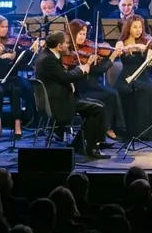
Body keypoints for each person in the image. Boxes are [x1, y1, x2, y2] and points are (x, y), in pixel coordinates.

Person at [34, 31, 108, 160]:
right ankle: (90, 148)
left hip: (59, 99)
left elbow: (60, 77)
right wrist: (81, 69)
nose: (68, 45)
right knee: (98, 109)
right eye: (66, 43)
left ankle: (80, 144)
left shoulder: (47, 55)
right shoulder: (49, 60)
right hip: (58, 104)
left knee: (99, 105)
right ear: (59, 45)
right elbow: (67, 77)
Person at [65, 19, 124, 140]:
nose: (83, 37)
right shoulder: (66, 51)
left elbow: (97, 71)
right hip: (79, 89)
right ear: (72, 33)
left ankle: (112, 129)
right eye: (80, 34)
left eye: (84, 34)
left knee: (112, 94)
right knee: (108, 95)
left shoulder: (89, 47)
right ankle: (104, 130)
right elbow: (70, 75)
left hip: (91, 84)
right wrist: (85, 66)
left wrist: (111, 57)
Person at [0, 14, 37, 138]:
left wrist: (29, 51)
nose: (5, 29)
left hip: (9, 78)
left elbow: (22, 62)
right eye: (2, 27)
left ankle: (17, 124)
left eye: (6, 26)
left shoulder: (11, 43)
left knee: (17, 88)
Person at [111, 15, 152, 141]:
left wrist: (150, 52)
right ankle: (134, 131)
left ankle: (151, 131)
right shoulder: (121, 42)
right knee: (137, 91)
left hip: (143, 74)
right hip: (128, 76)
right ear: (128, 28)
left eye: (140, 27)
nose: (138, 30)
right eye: (135, 27)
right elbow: (118, 50)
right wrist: (132, 47)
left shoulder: (145, 42)